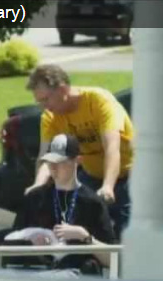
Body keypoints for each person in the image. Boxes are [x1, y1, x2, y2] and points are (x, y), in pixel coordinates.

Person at [1, 134, 116, 281]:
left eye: (60, 162)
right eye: (49, 162)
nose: (53, 168)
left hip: (75, 273)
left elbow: (112, 259)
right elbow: (12, 242)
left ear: (77, 161)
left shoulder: (92, 203)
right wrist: (30, 241)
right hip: (34, 269)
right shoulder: (36, 198)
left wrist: (86, 237)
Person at [24, 64, 134, 240]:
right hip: (91, 174)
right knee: (74, 221)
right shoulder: (51, 118)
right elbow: (47, 158)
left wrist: (108, 185)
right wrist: (39, 184)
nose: (44, 107)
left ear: (63, 89)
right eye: (39, 102)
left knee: (127, 230)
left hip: (129, 173)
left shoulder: (99, 101)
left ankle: (128, 263)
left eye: (46, 100)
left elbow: (112, 147)